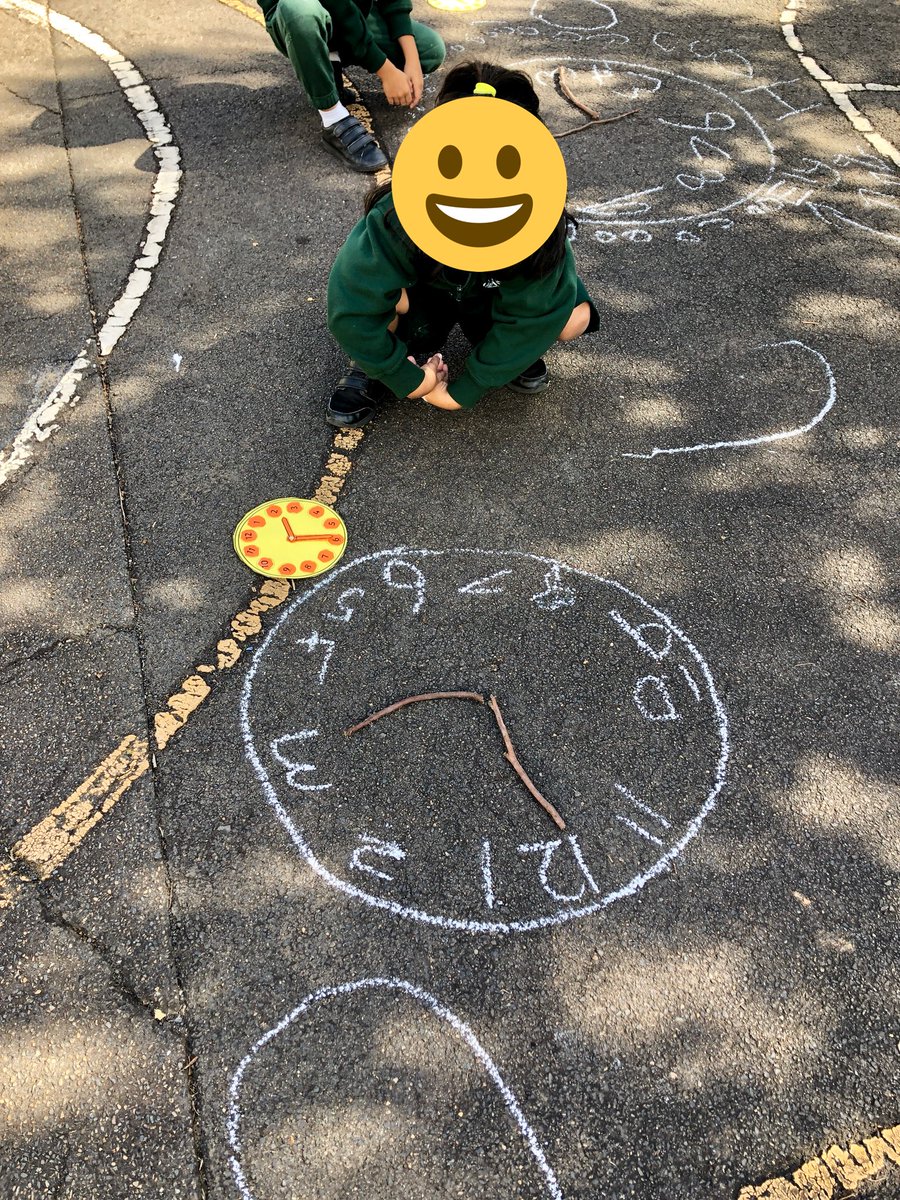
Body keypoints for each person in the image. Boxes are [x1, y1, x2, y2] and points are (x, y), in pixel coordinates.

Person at [325, 60, 599, 427]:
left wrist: (464, 389)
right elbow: (353, 302)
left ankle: (505, 352)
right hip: (425, 293)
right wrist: (402, 376)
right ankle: (372, 368)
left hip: (492, 295)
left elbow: (538, 313)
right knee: (380, 300)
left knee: (570, 317)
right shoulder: (400, 210)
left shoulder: (540, 220)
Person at [257, 0, 445, 172]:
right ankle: (332, 117)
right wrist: (385, 70)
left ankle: (331, 58)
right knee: (300, 12)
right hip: (294, 13)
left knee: (429, 49)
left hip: (352, 9)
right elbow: (337, 7)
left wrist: (412, 59)